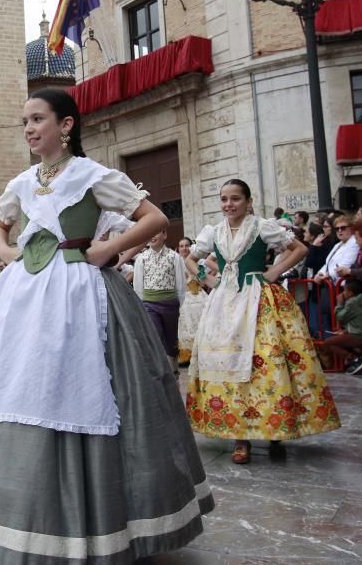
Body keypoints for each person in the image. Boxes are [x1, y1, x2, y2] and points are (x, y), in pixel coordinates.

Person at [0, 90, 212, 560]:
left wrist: (106, 250)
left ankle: (95, 519)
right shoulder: (23, 182)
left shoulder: (94, 176)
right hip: (25, 295)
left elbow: (153, 219)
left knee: (81, 385)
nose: (29, 129)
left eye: (37, 119)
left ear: (66, 125)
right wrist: (7, 253)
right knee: (11, 384)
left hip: (79, 293)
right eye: (25, 121)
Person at [185, 179, 340, 465]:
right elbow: (191, 258)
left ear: (248, 201)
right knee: (227, 365)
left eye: (235, 199)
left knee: (266, 363)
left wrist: (273, 272)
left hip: (259, 300)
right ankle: (239, 437)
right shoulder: (214, 232)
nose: (229, 204)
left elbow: (299, 249)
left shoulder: (261, 226)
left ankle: (274, 431)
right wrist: (207, 280)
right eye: (224, 199)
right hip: (224, 303)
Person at [130, 228, 185, 372]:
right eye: (149, 232)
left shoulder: (175, 257)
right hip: (149, 304)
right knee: (155, 335)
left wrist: (179, 302)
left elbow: (180, 282)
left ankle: (174, 367)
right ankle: (162, 370)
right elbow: (138, 284)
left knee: (171, 339)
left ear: (164, 234)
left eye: (156, 232)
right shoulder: (142, 258)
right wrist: (141, 304)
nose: (152, 236)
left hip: (170, 303)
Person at [321, 279, 362, 373]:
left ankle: (354, 359)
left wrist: (339, 303)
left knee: (327, 343)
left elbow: (340, 316)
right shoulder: (361, 300)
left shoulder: (352, 302)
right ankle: (360, 357)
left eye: (344, 291)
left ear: (350, 293)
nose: (342, 293)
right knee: (338, 338)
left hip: (359, 335)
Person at [177, 237, 209, 366]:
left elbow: (203, 281)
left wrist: (195, 274)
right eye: (181, 246)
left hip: (199, 296)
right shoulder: (176, 262)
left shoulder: (199, 262)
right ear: (178, 248)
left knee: (201, 323)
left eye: (187, 245)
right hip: (184, 296)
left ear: (191, 247)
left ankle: (203, 354)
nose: (184, 248)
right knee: (185, 325)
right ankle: (187, 356)